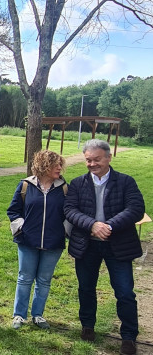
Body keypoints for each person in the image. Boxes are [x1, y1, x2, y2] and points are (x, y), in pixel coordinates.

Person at [64, 139, 145, 355]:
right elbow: (70, 210)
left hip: (118, 245)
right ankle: (87, 326)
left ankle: (128, 337)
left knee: (125, 292)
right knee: (86, 288)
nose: (92, 164)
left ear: (109, 157)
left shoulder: (126, 182)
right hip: (87, 245)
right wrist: (92, 225)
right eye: (88, 160)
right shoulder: (77, 183)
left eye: (97, 159)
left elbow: (136, 208)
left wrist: (109, 226)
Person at [7, 150, 67, 330]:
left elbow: (70, 213)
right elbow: (13, 210)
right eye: (55, 164)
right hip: (27, 241)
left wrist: (64, 232)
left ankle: (38, 315)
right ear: (44, 166)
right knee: (25, 278)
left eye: (60, 164)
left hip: (54, 243)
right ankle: (19, 315)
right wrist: (21, 228)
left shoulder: (64, 188)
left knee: (44, 280)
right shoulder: (26, 185)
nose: (59, 168)